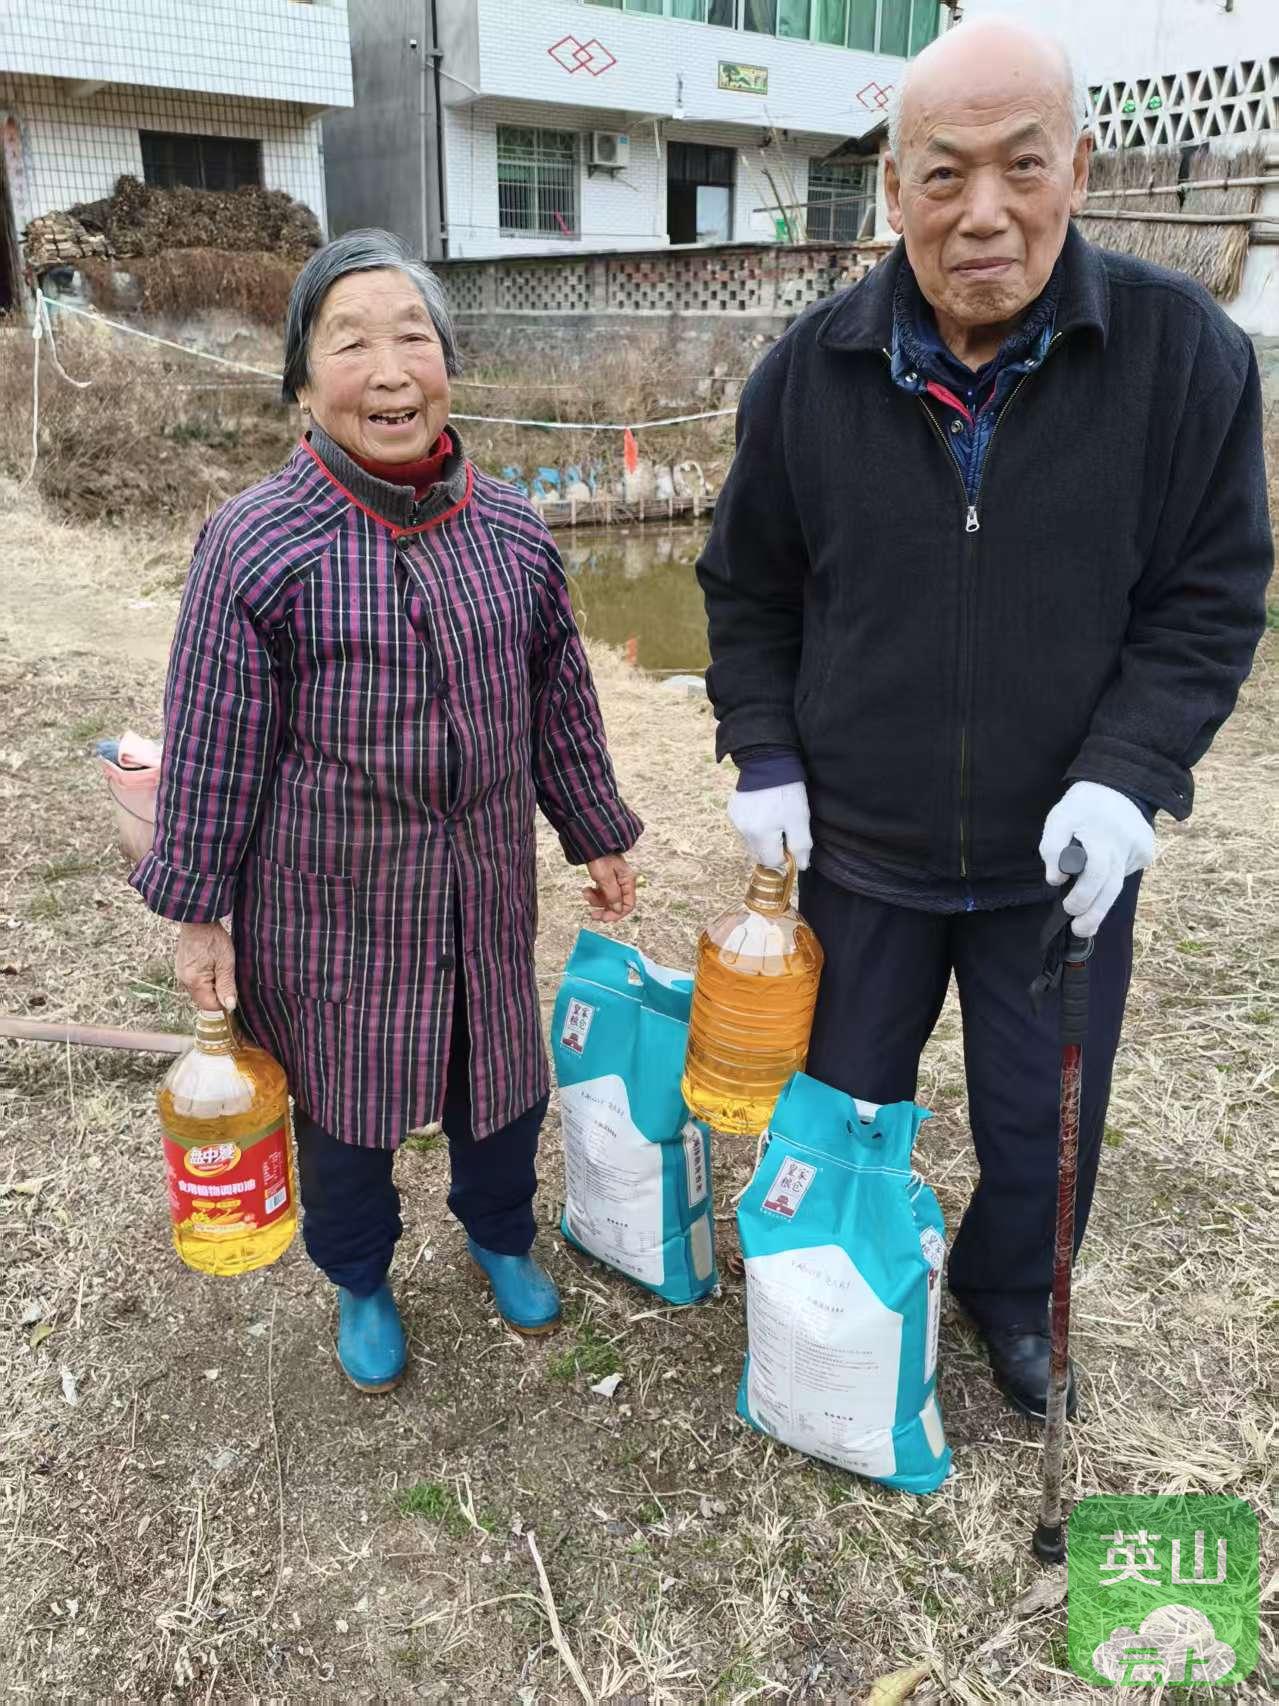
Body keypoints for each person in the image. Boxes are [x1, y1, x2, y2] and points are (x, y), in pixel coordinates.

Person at [698, 19, 1271, 1421]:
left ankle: (1011, 1295)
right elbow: (747, 587)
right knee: (844, 1103)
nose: (982, 212)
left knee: (1042, 1126)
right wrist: (763, 748)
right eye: (942, 174)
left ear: (1077, 168)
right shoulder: (808, 371)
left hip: (1056, 861)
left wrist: (1126, 777)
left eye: (1021, 165)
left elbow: (1207, 598)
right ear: (892, 189)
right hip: (861, 850)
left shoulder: (1182, 357)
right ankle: (838, 1282)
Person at [133, 229, 642, 1393]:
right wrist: (198, 914)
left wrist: (595, 828)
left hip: (481, 887)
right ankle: (360, 1274)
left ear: (447, 366)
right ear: (303, 383)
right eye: (350, 343)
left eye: (414, 337)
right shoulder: (255, 543)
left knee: (498, 1080)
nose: (390, 370)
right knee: (342, 1112)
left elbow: (559, 697)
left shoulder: (511, 528)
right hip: (327, 908)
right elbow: (210, 741)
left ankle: (499, 1230)